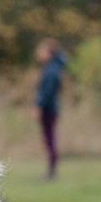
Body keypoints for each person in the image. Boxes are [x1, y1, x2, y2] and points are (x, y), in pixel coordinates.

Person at [34, 37, 66, 180]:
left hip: (49, 110)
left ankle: (52, 170)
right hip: (50, 109)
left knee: (50, 139)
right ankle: (51, 168)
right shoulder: (52, 68)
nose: (39, 53)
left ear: (49, 52)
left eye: (42, 50)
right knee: (49, 139)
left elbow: (47, 92)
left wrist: (39, 106)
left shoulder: (51, 70)